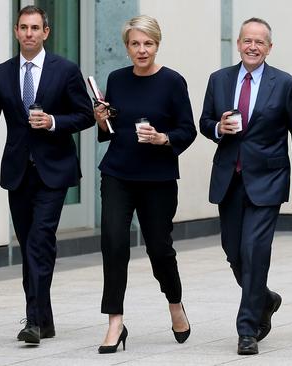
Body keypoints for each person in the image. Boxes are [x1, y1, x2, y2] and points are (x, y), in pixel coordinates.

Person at [0, 6, 94, 345]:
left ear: (46, 33)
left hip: (54, 171)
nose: (29, 34)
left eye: (35, 28)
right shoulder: (2, 73)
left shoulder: (65, 70)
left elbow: (84, 116)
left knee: (39, 241)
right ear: (16, 31)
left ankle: (34, 322)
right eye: (23, 27)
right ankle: (45, 319)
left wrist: (53, 122)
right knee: (32, 247)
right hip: (18, 172)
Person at [199, 17, 292, 355]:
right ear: (239, 43)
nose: (253, 46)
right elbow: (203, 122)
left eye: (260, 42)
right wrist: (218, 128)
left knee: (255, 251)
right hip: (229, 179)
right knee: (233, 251)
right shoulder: (219, 80)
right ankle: (265, 299)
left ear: (269, 47)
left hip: (268, 180)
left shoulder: (285, 83)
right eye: (247, 40)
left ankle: (247, 329)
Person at [93, 15, 197, 354]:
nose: (142, 49)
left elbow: (187, 130)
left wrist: (163, 138)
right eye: (135, 44)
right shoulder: (117, 79)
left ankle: (175, 303)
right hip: (118, 173)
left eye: (147, 43)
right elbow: (110, 133)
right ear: (126, 47)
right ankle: (114, 321)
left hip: (158, 178)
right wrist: (102, 120)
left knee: (159, 248)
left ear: (157, 44)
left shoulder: (172, 82)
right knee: (114, 242)